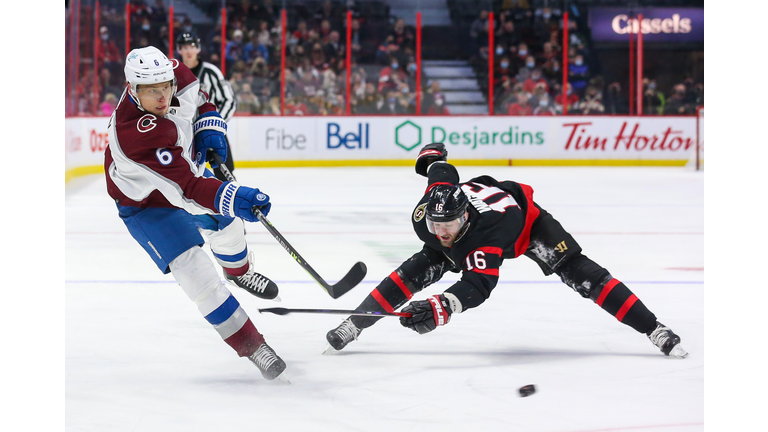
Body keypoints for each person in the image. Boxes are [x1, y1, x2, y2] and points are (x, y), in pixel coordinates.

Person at [325, 143, 688, 360]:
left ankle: (654, 328)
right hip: (480, 223)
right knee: (411, 271)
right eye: (435, 227)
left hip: (526, 226)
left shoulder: (489, 235)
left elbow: (479, 285)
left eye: (446, 227)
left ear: (464, 214)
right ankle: (352, 325)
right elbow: (441, 170)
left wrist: (440, 306)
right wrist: (431, 156)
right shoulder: (430, 215)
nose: (440, 233)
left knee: (585, 276)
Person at [104, 46, 286, 380]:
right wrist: (235, 195)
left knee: (227, 225)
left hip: (176, 180)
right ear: (132, 89)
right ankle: (253, 346)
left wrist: (208, 125)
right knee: (197, 275)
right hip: (146, 206)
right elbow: (187, 190)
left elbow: (199, 97)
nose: (163, 95)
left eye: (166, 86)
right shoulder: (135, 135)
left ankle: (239, 272)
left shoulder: (172, 73)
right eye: (152, 90)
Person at [176, 32, 238, 182]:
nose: (188, 51)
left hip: (211, 132)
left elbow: (229, 101)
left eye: (191, 46)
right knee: (181, 175)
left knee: (224, 174)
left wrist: (214, 124)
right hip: (182, 133)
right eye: (184, 47)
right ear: (179, 50)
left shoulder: (211, 72)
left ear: (198, 48)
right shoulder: (173, 72)